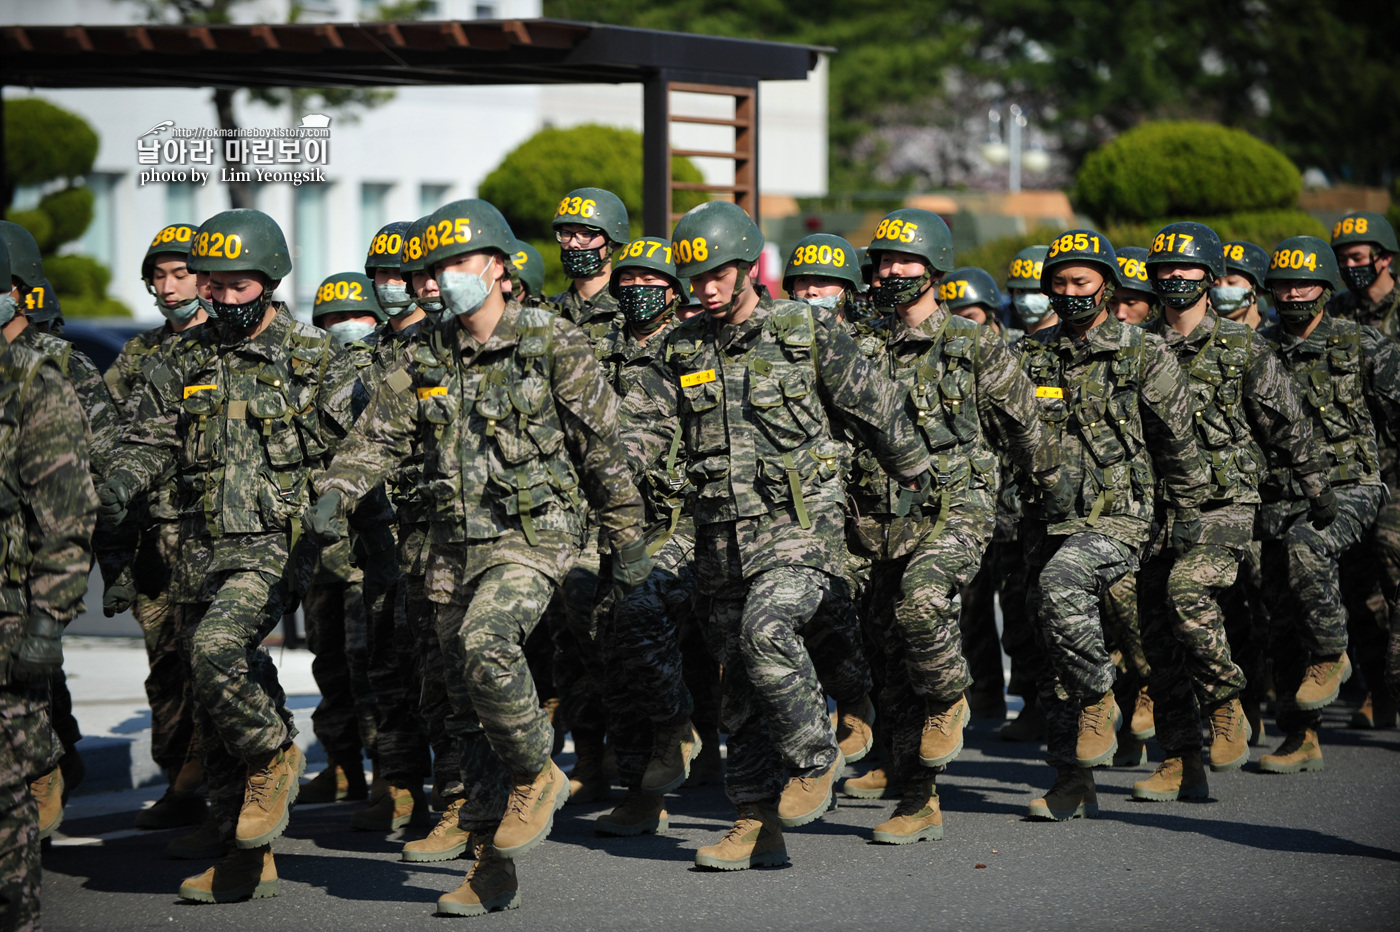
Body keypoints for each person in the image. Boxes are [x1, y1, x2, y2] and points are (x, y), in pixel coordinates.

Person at [303, 198, 647, 916]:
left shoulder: (553, 342)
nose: (444, 279)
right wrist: (338, 491)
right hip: (445, 549)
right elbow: (379, 436)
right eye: (435, 268)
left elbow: (603, 447)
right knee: (463, 711)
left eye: (458, 263)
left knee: (487, 645)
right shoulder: (420, 352)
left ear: (497, 266)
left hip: (534, 536)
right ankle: (493, 865)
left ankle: (538, 772)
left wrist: (625, 534)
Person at [650, 201, 931, 868]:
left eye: (717, 274)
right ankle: (755, 822)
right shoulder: (684, 346)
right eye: (696, 280)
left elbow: (873, 401)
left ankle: (816, 756)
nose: (707, 289)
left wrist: (913, 469)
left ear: (747, 265)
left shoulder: (801, 331)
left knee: (766, 631)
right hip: (720, 539)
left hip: (800, 528)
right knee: (740, 686)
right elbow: (645, 426)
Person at [96, 209, 363, 903]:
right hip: (194, 547)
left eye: (236, 286)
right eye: (212, 285)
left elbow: (363, 447)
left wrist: (339, 513)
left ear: (270, 282)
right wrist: (117, 484)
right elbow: (150, 437)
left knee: (219, 649)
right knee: (210, 691)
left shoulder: (315, 357)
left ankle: (275, 754)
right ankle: (244, 851)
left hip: (275, 545)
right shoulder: (187, 356)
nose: (220, 298)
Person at [851, 214, 1067, 844]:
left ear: (934, 271)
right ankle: (918, 799)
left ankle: (952, 696)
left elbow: (1028, 430)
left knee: (923, 603)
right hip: (880, 519)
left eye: (903, 262)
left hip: (958, 509)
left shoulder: (976, 346)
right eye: (883, 262)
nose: (891, 272)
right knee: (890, 661)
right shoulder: (864, 346)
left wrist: (1054, 508)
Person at [1134, 222, 1330, 801]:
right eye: (1164, 269)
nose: (1174, 278)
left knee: (1187, 592)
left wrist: (1317, 485)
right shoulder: (1135, 345)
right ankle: (1180, 759)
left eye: (1187, 268)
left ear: (1212, 277)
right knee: (1157, 639)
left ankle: (1226, 705)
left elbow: (1287, 422)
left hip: (1227, 504)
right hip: (1154, 509)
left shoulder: (1243, 347)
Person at [1016, 230, 1207, 821]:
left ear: (1106, 284)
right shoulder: (1030, 354)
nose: (1070, 291)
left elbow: (1177, 443)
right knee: (1050, 650)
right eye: (1060, 282)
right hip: (1047, 521)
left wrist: (1191, 523)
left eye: (1082, 280)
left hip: (1124, 518)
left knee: (1086, 603)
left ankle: (1113, 705)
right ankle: (1073, 779)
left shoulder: (1143, 352)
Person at [1256, 236, 1400, 772]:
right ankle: (1301, 737)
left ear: (1325, 287)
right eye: (1284, 284)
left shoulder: (1363, 344)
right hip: (1279, 492)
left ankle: (1332, 653)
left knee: (1306, 545)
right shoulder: (1259, 349)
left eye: (1305, 282)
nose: (1294, 293)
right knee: (1278, 608)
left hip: (1352, 486)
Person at [590, 236, 706, 837]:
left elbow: (654, 432)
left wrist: (606, 465)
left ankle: (675, 727)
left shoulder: (690, 348)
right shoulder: (593, 349)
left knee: (641, 610)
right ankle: (639, 792)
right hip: (612, 518)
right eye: (627, 280)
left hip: (681, 517)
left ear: (673, 290)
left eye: (650, 282)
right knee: (610, 647)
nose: (636, 291)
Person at [0, 233, 98, 932]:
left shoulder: (38, 384)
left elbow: (67, 518)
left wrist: (45, 623)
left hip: (8, 611)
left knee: (6, 784)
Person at [100, 222, 211, 831]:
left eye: (180, 273)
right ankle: (179, 778)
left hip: (209, 529)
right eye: (158, 275)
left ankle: (223, 782)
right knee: (165, 664)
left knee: (214, 659)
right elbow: (111, 437)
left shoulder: (221, 347)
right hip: (152, 534)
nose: (169, 287)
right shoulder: (139, 355)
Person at [546, 188, 632, 800]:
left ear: (611, 240)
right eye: (567, 234)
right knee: (565, 636)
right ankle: (590, 758)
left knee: (613, 628)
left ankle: (638, 758)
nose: (575, 244)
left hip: (617, 495)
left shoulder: (635, 315)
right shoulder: (545, 318)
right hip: (555, 497)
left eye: (586, 233)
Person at [296, 272, 390, 813]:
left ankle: (387, 772)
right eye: (330, 321)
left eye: (353, 318)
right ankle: (341, 763)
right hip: (319, 548)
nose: (343, 329)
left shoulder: (386, 373)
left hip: (364, 543)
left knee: (366, 659)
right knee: (326, 660)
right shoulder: (306, 377)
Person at [1328, 213, 1400, 729]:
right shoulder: (1335, 313)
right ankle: (1378, 688)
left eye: (1358, 257)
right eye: (1343, 259)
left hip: (1399, 468)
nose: (1350, 267)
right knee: (1358, 585)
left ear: (1384, 258)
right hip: (1351, 468)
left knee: (1394, 571)